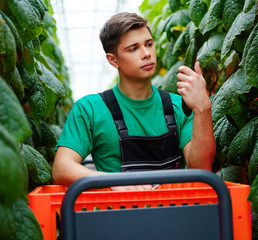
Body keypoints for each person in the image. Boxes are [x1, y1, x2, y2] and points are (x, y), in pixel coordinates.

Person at [52, 12, 215, 190]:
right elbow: (61, 169)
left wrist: (203, 108)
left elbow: (201, 169)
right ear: (113, 60)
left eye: (149, 44)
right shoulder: (89, 109)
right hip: (118, 213)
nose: (146, 54)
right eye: (133, 48)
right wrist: (113, 183)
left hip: (176, 211)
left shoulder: (180, 105)